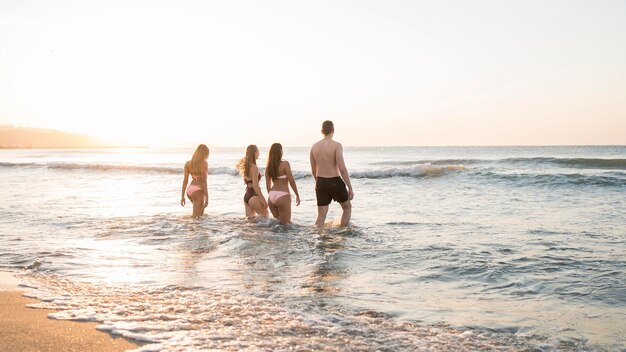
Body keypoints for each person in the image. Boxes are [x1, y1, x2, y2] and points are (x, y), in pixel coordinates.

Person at [310, 120, 354, 227]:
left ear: (322, 131)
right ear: (333, 130)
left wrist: (319, 183)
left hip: (320, 181)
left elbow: (313, 170)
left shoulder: (314, 147)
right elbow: (342, 168)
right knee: (347, 208)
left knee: (321, 215)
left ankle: (318, 238)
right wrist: (350, 187)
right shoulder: (337, 146)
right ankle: (342, 232)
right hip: (334, 181)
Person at [265, 143, 300, 225]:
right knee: (286, 226)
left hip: (271, 196)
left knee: (277, 224)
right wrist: (297, 195)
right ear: (280, 152)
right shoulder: (285, 164)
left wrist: (272, 196)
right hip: (283, 195)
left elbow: (267, 185)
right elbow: (291, 181)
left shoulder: (268, 167)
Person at [237, 145, 269, 218]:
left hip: (247, 197)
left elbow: (247, 182)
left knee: (250, 225)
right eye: (258, 151)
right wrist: (263, 199)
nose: (259, 153)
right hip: (253, 196)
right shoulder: (254, 167)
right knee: (267, 220)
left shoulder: (246, 167)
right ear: (254, 153)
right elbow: (255, 186)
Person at [181, 144, 209, 218]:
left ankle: (199, 229)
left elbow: (185, 181)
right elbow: (203, 181)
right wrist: (207, 198)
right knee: (195, 219)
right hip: (198, 190)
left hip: (190, 190)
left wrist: (182, 196)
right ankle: (191, 229)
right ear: (205, 154)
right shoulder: (204, 163)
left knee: (200, 213)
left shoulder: (188, 163)